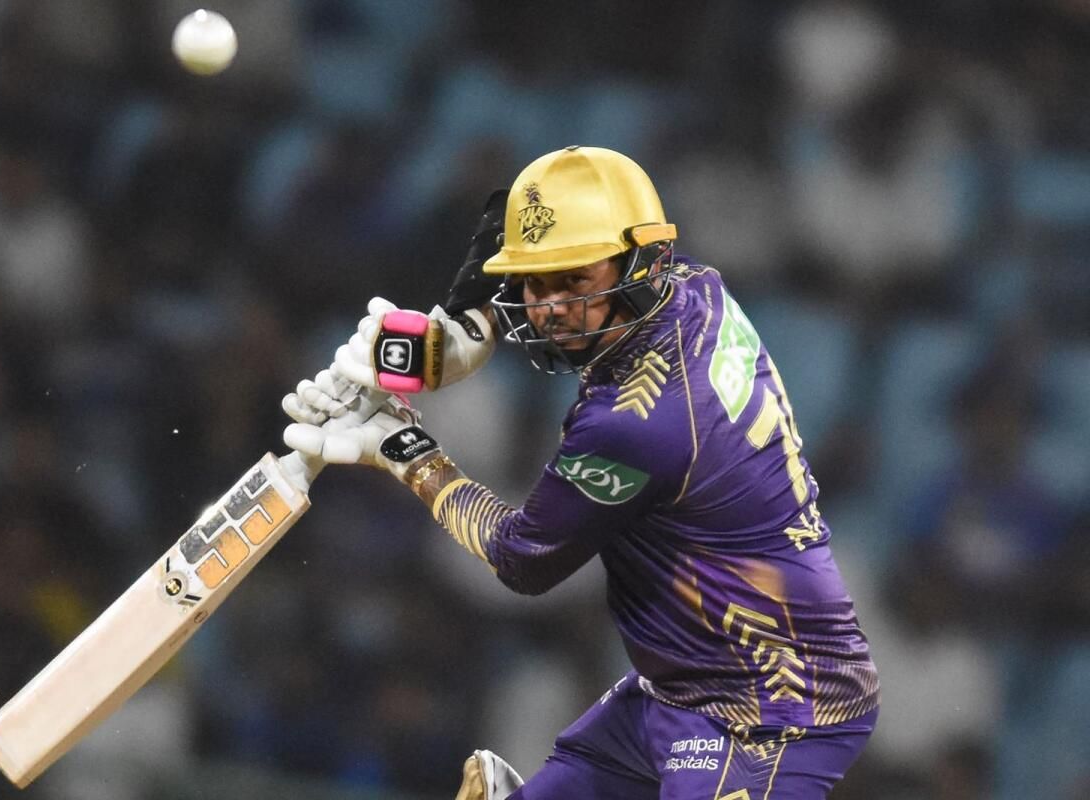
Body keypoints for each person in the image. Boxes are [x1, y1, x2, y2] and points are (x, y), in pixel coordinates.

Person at [283, 146, 879, 799]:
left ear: (642, 264)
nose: (549, 309)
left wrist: (406, 450)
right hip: (679, 691)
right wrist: (461, 326)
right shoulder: (692, 285)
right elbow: (511, 219)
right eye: (534, 284)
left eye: (572, 281)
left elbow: (521, 560)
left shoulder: (636, 423)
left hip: (773, 711)